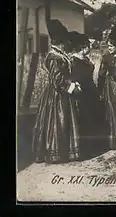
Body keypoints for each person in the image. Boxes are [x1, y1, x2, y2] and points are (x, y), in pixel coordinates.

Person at [32, 19, 82, 164]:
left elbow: (65, 75)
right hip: (56, 95)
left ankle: (64, 151)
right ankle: (55, 153)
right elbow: (57, 79)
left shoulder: (60, 55)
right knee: (56, 121)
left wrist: (73, 82)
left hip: (62, 93)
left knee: (64, 120)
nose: (67, 43)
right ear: (60, 41)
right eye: (65, 40)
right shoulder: (54, 57)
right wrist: (71, 87)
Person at [68, 31, 106, 158]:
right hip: (83, 94)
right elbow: (78, 77)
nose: (89, 48)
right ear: (82, 47)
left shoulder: (84, 59)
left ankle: (93, 146)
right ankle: (85, 149)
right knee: (85, 120)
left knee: (92, 120)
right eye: (87, 46)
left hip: (90, 93)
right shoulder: (74, 60)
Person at [97, 27, 116, 151]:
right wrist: (100, 88)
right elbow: (101, 75)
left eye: (112, 45)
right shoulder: (106, 57)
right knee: (111, 111)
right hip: (110, 86)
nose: (110, 47)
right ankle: (112, 142)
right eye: (109, 45)